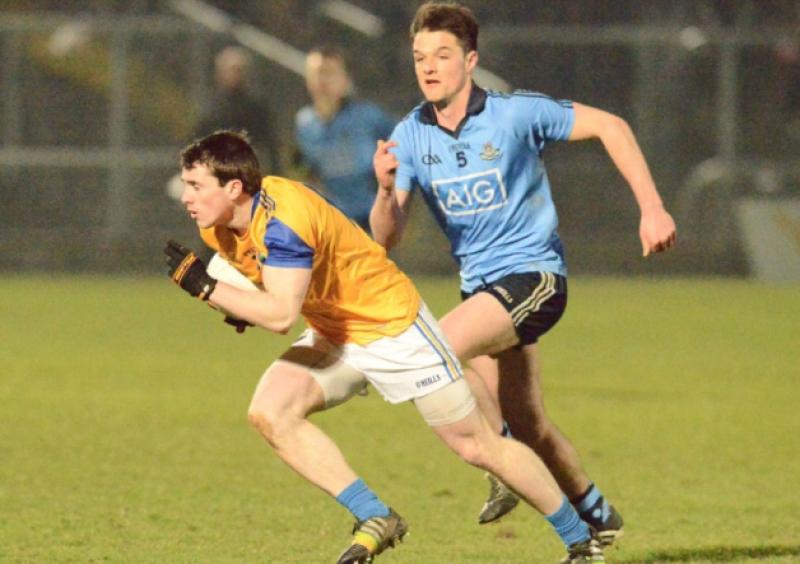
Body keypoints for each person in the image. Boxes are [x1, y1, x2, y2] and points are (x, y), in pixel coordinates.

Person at [165, 130, 605, 563]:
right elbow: (268, 285)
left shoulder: (284, 222)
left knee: (477, 447)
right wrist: (238, 305)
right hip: (334, 331)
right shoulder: (219, 226)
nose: (186, 196)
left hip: (394, 329)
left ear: (234, 187)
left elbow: (280, 316)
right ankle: (376, 516)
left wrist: (205, 288)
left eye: (196, 186)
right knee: (270, 413)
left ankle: (582, 542)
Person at [370, 0, 677, 547]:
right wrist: (383, 186)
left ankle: (503, 469)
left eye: (442, 54)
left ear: (470, 60)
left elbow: (612, 126)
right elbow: (386, 237)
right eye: (420, 56)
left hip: (535, 278)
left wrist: (651, 208)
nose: (429, 66)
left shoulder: (515, 113)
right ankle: (596, 514)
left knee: (431, 348)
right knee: (527, 422)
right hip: (482, 289)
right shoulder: (411, 134)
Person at [294, 46, 396, 231]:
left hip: (368, 220)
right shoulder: (305, 123)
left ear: (345, 79)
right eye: (316, 74)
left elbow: (403, 147)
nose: (322, 81)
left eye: (329, 73)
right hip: (330, 223)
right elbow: (305, 170)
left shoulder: (368, 117)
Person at [195, 46, 282, 175]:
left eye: (240, 70)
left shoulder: (257, 109)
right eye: (231, 70)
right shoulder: (210, 110)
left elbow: (269, 145)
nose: (235, 75)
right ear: (219, 73)